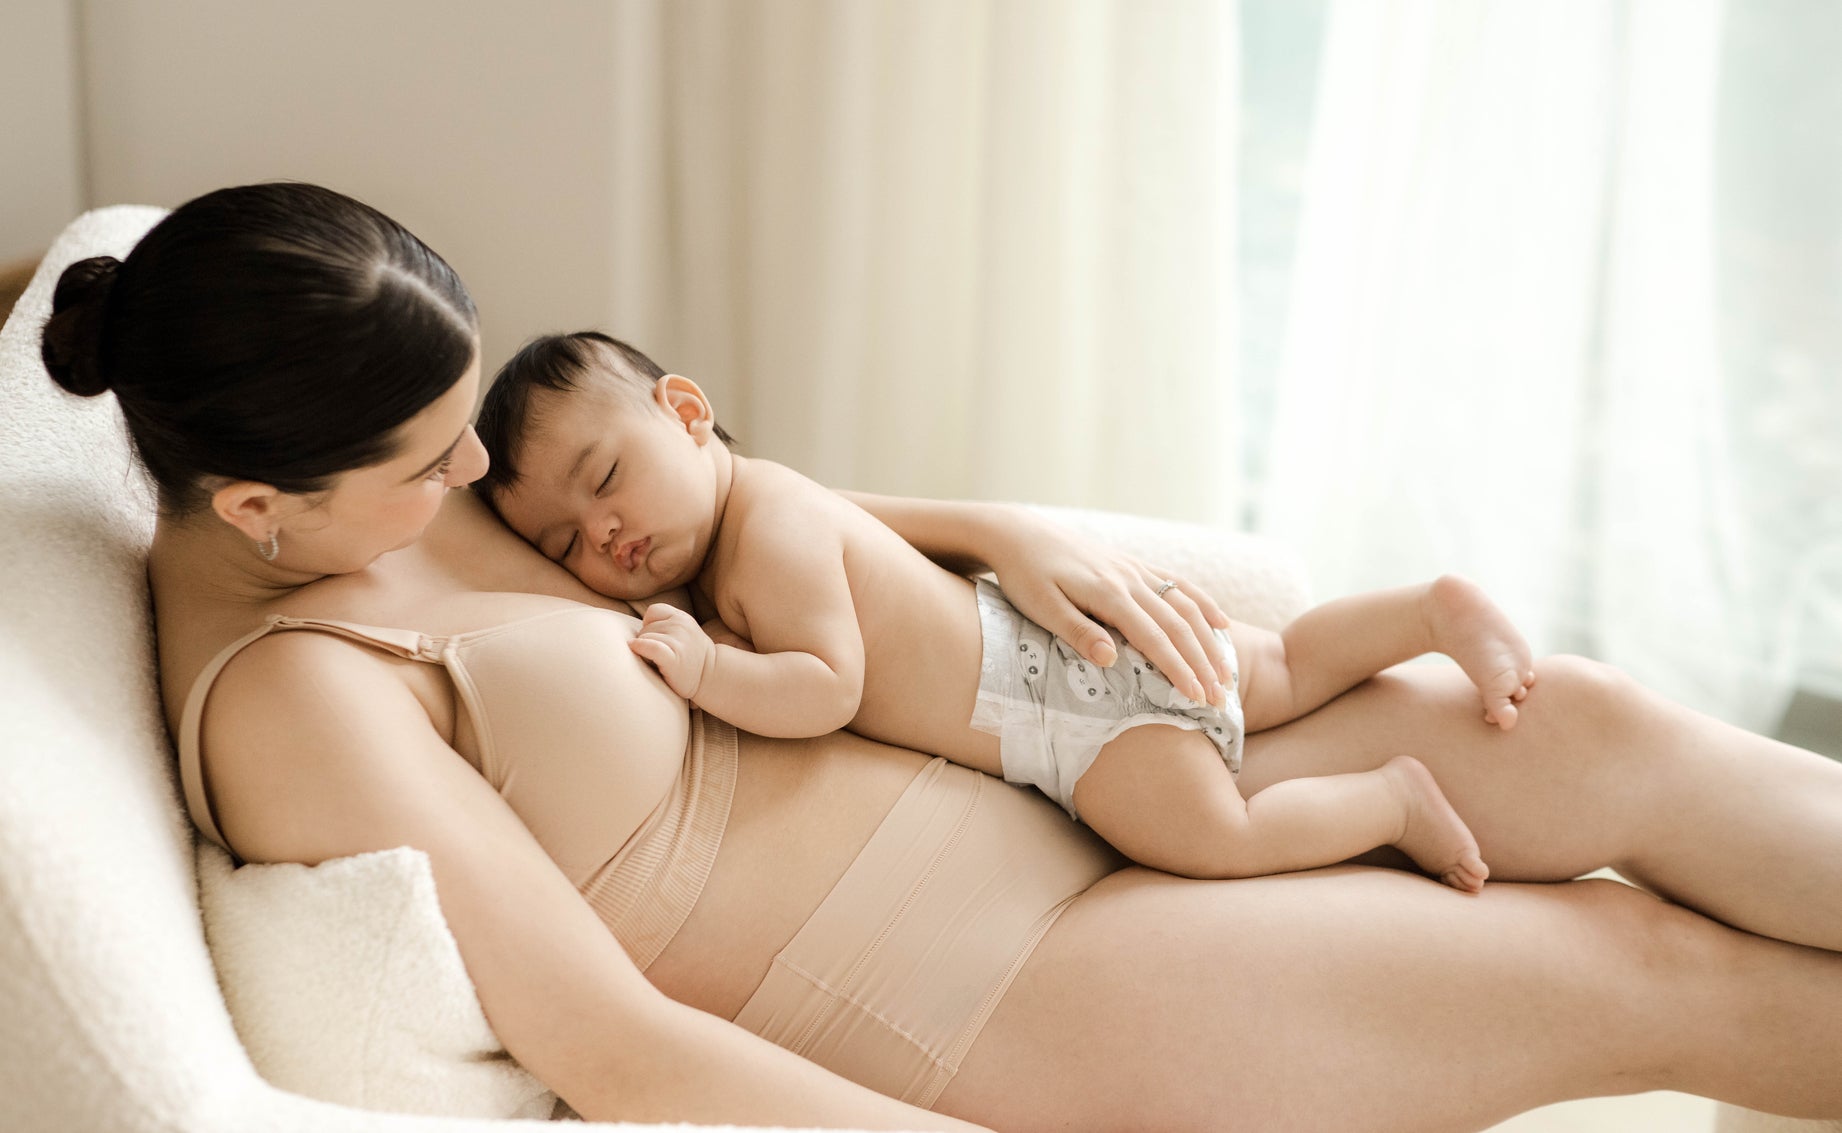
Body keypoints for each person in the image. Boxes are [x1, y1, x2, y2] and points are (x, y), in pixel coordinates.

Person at [38, 181, 1842, 1132]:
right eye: (431, 464)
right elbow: (612, 1034)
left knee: (1589, 725)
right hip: (1011, 977)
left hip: (1026, 756)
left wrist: (992, 534)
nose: (474, 490)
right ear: (260, 504)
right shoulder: (293, 706)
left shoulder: (354, 470)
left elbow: (710, 490)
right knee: (1633, 958)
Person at [471, 332, 1535, 892]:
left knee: (1219, 833)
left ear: (688, 415)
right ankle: (1427, 611)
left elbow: (825, 685)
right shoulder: (774, 499)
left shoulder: (773, 537)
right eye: (565, 543)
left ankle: (1390, 801)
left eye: (606, 476)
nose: (603, 534)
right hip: (1067, 649)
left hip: (1063, 711)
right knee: (1287, 666)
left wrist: (706, 669)